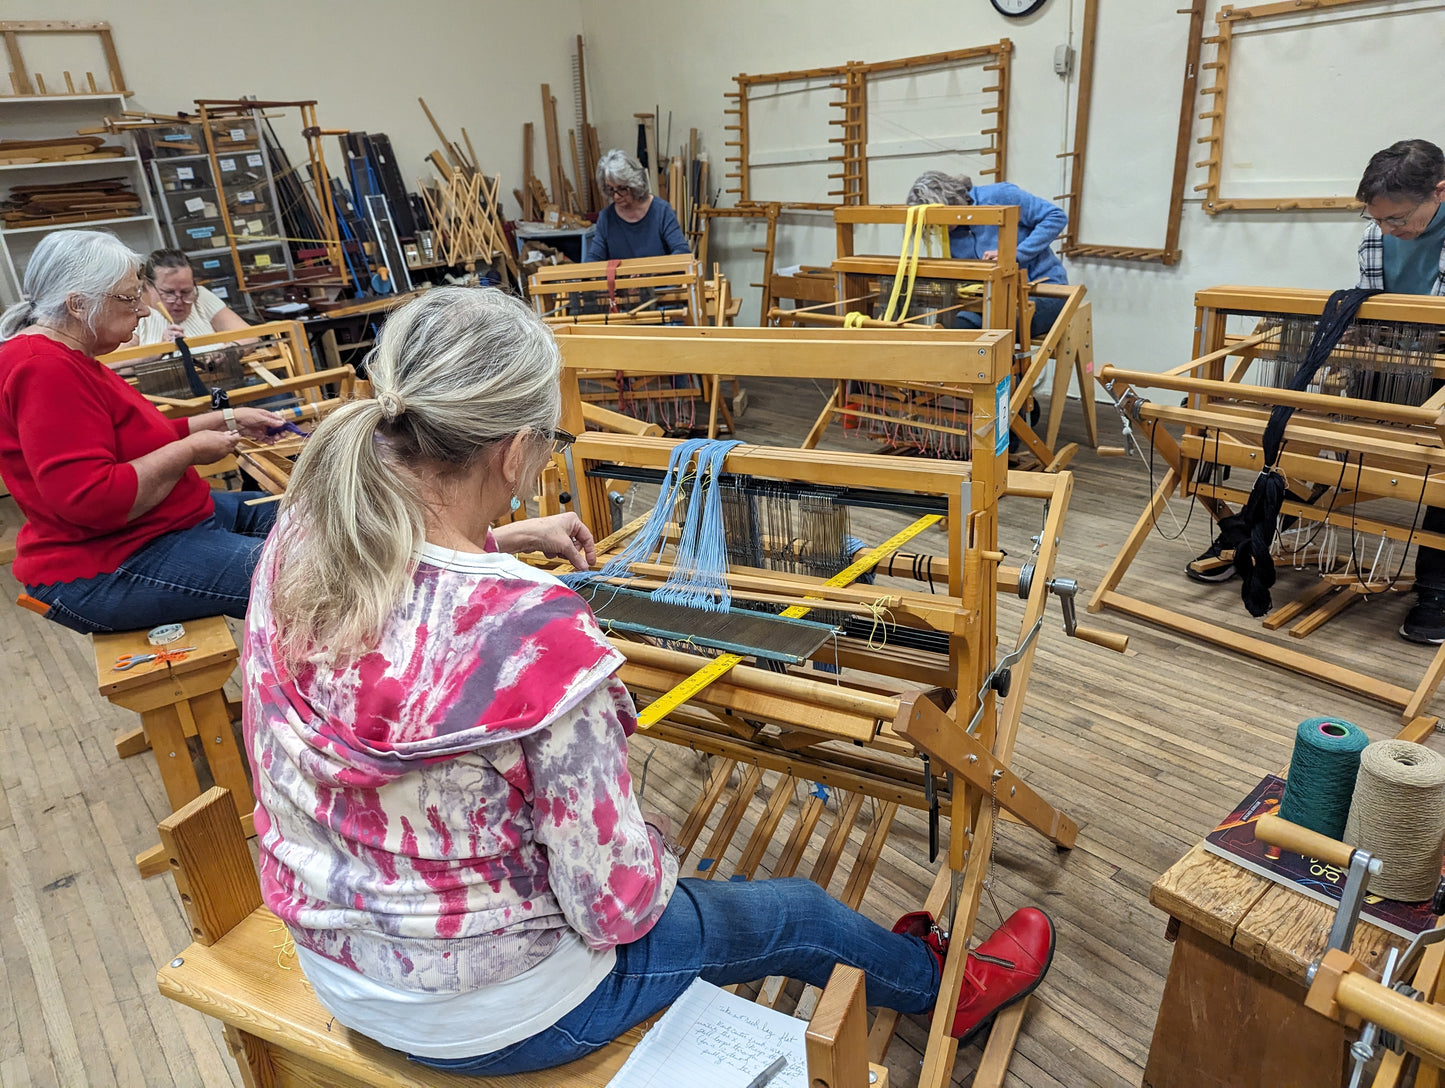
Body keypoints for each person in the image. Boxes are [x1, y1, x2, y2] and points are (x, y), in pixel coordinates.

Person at [242, 285, 1055, 1075]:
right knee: (798, 914)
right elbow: (617, 908)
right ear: (516, 450)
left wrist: (506, 532)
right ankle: (949, 991)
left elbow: (413, 607)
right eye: (553, 445)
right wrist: (649, 845)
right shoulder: (538, 633)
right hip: (499, 1014)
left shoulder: (306, 532)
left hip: (340, 960)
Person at [0, 229, 284, 634]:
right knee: (308, 580)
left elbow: (137, 437)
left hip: (157, 523)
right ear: (78, 304)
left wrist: (225, 419)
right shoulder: (43, 368)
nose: (145, 311)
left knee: (309, 515)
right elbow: (91, 499)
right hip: (109, 560)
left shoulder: (73, 355)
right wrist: (188, 451)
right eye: (130, 299)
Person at [1357, 138, 1445, 643]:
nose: (1388, 230)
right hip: (1392, 357)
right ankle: (1255, 537)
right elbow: (1372, 302)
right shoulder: (1378, 234)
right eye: (1379, 220)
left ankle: (1436, 585)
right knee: (1308, 425)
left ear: (1439, 193)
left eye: (1398, 220)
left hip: (1439, 363)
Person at [906, 170, 1070, 338]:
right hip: (990, 301)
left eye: (942, 219)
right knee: (950, 329)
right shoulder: (950, 230)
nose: (941, 228)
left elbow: (1055, 216)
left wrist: (1014, 254)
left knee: (979, 330)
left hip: (1045, 293)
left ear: (952, 199)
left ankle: (996, 362)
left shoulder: (999, 196)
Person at [130, 248, 250, 349]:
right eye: (169, 293)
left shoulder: (201, 297)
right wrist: (158, 351)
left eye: (186, 292)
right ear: (148, 285)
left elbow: (248, 336)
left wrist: (228, 352)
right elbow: (115, 362)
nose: (179, 301)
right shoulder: (138, 312)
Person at [589, 149, 691, 262]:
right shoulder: (606, 218)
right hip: (623, 280)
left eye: (621, 189)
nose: (616, 197)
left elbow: (682, 252)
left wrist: (650, 270)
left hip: (657, 278)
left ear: (635, 184)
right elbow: (594, 259)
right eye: (611, 189)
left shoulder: (662, 211)